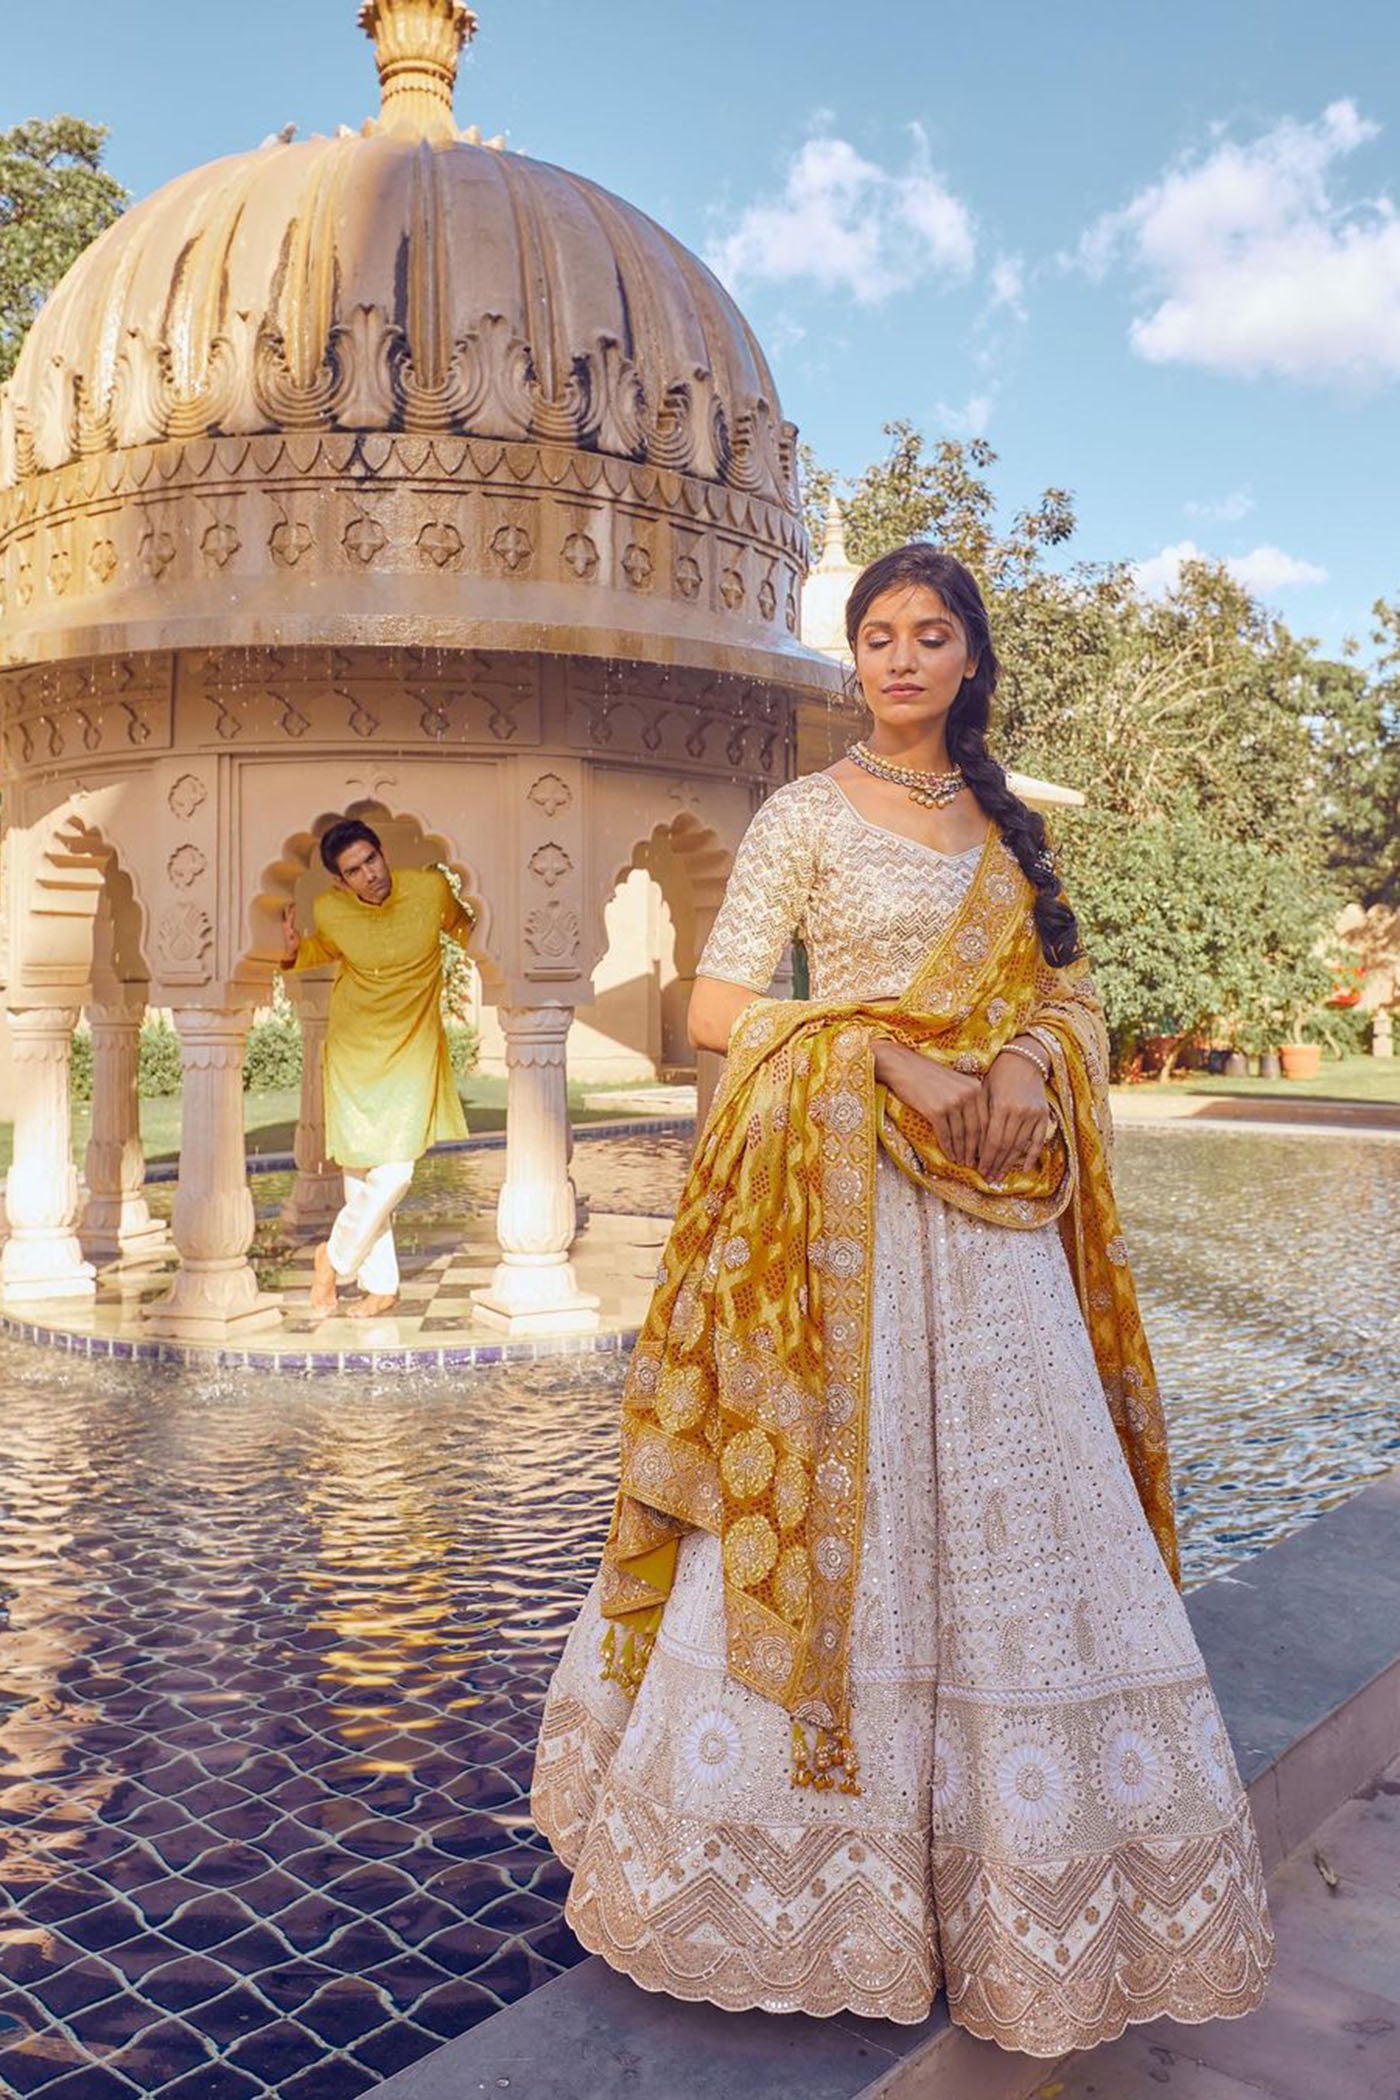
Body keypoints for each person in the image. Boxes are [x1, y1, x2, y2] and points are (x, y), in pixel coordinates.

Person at [531, 545, 1274, 2053]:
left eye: (932, 636)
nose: (903, 659)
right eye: (879, 636)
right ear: (854, 659)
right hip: (844, 1220)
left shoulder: (1004, 838)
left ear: (971, 659)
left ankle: (1022, 1893)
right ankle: (815, 1900)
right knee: (841, 1513)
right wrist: (889, 1055)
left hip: (995, 1237)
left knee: (1016, 1520)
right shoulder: (805, 815)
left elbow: (1064, 997)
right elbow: (719, 1008)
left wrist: (1014, 1062)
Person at [280, 818, 476, 1320]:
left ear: (383, 853)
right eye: (355, 870)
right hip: (353, 1047)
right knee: (363, 1168)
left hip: (410, 1044)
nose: (370, 874)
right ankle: (381, 1287)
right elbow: (323, 948)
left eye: (372, 859)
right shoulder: (330, 910)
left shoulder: (429, 889)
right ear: (340, 882)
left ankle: (333, 1259)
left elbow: (468, 927)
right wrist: (293, 951)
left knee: (395, 1170)